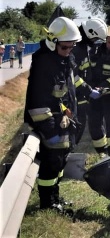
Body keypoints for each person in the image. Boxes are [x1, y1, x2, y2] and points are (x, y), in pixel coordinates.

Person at [24, 16, 81, 211]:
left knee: (60, 162)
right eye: (65, 47)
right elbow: (37, 103)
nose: (68, 51)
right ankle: (47, 204)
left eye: (71, 47)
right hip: (50, 125)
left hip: (62, 123)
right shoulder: (44, 64)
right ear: (52, 42)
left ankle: (55, 199)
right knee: (50, 166)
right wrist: (50, 132)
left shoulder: (63, 60)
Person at [87, 23, 110, 157]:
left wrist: (102, 88)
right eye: (108, 42)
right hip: (94, 94)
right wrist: (89, 87)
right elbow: (89, 69)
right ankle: (101, 151)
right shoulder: (96, 50)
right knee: (94, 122)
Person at [71, 18, 108, 144]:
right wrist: (89, 90)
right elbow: (73, 77)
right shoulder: (76, 50)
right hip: (74, 97)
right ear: (90, 32)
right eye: (95, 39)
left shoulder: (82, 47)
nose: (95, 42)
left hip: (81, 96)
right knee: (76, 127)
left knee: (78, 126)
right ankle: (66, 154)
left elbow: (85, 72)